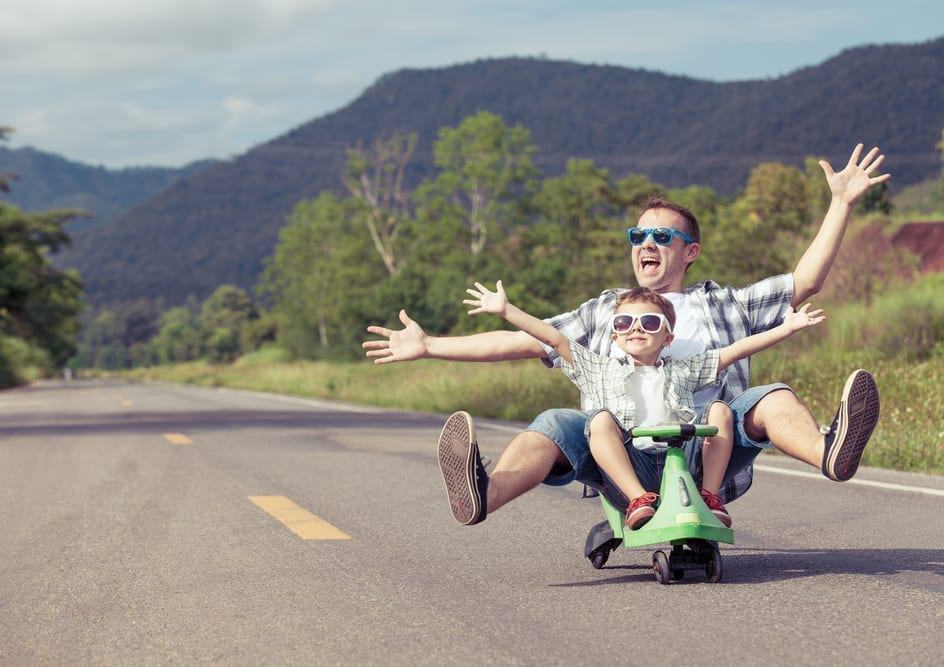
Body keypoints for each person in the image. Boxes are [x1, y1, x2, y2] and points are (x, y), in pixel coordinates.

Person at [364, 143, 887, 527]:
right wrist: (430, 345)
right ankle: (482, 492)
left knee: (771, 397)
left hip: (710, 452)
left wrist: (840, 204)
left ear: (690, 251)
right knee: (554, 422)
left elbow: (806, 282)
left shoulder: (724, 302)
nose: (647, 243)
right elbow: (529, 341)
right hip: (623, 456)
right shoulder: (607, 311)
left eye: (663, 235)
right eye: (638, 235)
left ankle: (829, 452)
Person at [463, 280, 825, 529]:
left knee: (719, 409)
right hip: (630, 468)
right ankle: (638, 501)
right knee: (601, 420)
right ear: (615, 335)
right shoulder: (599, 368)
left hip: (684, 463)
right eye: (625, 322)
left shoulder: (684, 370)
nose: (637, 328)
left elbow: (734, 352)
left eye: (649, 322)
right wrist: (507, 310)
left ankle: (711, 497)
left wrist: (786, 328)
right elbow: (554, 339)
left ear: (668, 337)